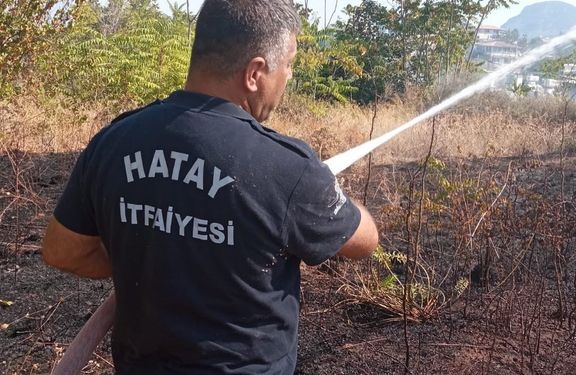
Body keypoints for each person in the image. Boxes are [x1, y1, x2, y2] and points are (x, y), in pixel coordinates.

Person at [41, 0, 378, 374]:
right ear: (255, 73)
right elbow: (364, 240)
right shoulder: (287, 168)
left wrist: (147, 257)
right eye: (290, 66)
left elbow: (62, 251)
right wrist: (328, 190)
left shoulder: (114, 141)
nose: (290, 77)